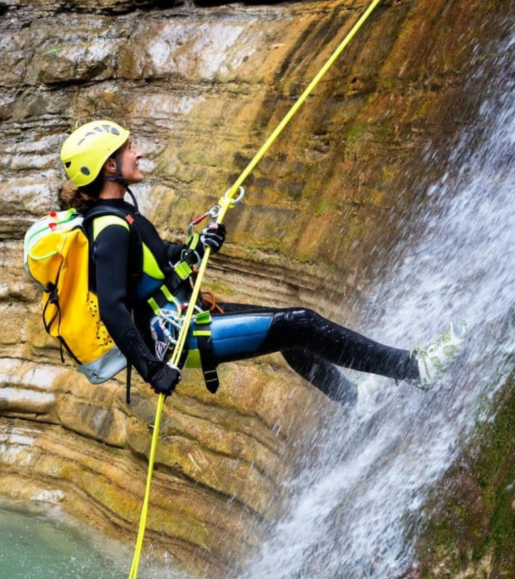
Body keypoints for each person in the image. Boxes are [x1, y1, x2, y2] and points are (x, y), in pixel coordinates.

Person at [58, 120, 462, 405]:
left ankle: (354, 401)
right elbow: (112, 306)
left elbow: (159, 258)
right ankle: (416, 370)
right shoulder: (110, 228)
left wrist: (196, 246)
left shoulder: (120, 215)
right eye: (129, 148)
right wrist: (152, 370)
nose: (138, 152)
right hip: (178, 334)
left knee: (286, 330)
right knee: (300, 324)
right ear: (109, 166)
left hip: (184, 316)